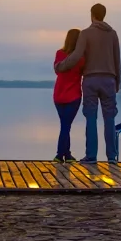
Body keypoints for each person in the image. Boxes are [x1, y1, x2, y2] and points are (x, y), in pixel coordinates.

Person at [55, 3, 121, 164]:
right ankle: (112, 157)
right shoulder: (113, 34)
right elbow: (117, 59)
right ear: (104, 15)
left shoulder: (85, 34)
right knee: (110, 118)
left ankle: (91, 156)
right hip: (109, 80)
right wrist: (117, 81)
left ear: (92, 14)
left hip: (91, 80)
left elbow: (76, 56)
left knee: (91, 118)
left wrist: (60, 66)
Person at [52, 28, 83, 162]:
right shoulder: (82, 58)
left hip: (58, 95)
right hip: (73, 96)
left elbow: (57, 71)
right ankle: (60, 155)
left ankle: (67, 155)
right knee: (66, 125)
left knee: (65, 124)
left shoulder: (59, 54)